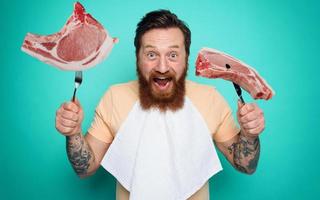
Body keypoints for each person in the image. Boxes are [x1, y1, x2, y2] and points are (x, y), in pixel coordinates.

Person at [55, 9, 265, 200]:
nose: (162, 67)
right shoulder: (115, 97)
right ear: (138, 58)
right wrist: (73, 133)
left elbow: (245, 166)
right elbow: (85, 169)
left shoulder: (209, 98)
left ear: (186, 58)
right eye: (151, 54)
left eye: (173, 55)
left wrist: (249, 133)